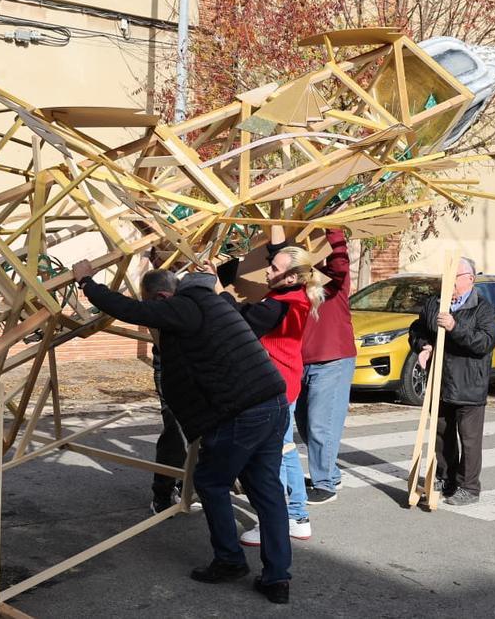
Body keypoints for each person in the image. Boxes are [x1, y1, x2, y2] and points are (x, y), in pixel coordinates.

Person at [73, 259, 293, 605]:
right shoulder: (214, 302)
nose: (155, 319)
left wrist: (87, 283)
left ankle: (229, 561)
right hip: (272, 401)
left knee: (211, 482)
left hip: (242, 410)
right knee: (266, 490)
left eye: (154, 307)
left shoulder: (184, 307)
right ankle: (277, 578)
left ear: (162, 297)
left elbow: (128, 309)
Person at [220, 246, 323, 543]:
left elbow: (240, 317)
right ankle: (296, 516)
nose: (267, 270)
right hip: (284, 383)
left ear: (291, 277)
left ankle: (276, 521)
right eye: (271, 264)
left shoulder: (281, 304)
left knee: (270, 458)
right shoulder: (292, 295)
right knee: (284, 450)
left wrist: (220, 289)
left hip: (275, 388)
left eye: (274, 268)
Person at [409, 256, 495, 507]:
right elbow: (417, 329)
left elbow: (485, 342)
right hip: (440, 381)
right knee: (441, 435)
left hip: (469, 384)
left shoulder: (483, 308)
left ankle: (469, 487)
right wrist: (424, 346)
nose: (448, 282)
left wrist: (454, 326)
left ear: (470, 279)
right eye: (445, 276)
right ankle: (445, 478)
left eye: (454, 277)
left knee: (469, 440)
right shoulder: (435, 303)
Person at [296, 229, 357, 505]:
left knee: (321, 425)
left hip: (333, 360)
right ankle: (330, 472)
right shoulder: (298, 284)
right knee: (305, 423)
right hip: (303, 361)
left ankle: (325, 483)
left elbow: (340, 261)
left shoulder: (334, 283)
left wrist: (331, 228)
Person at [143, 250, 188, 514]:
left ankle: (187, 484)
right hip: (169, 363)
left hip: (194, 362)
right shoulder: (158, 297)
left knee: (198, 428)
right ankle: (163, 490)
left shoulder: (190, 289)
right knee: (175, 428)